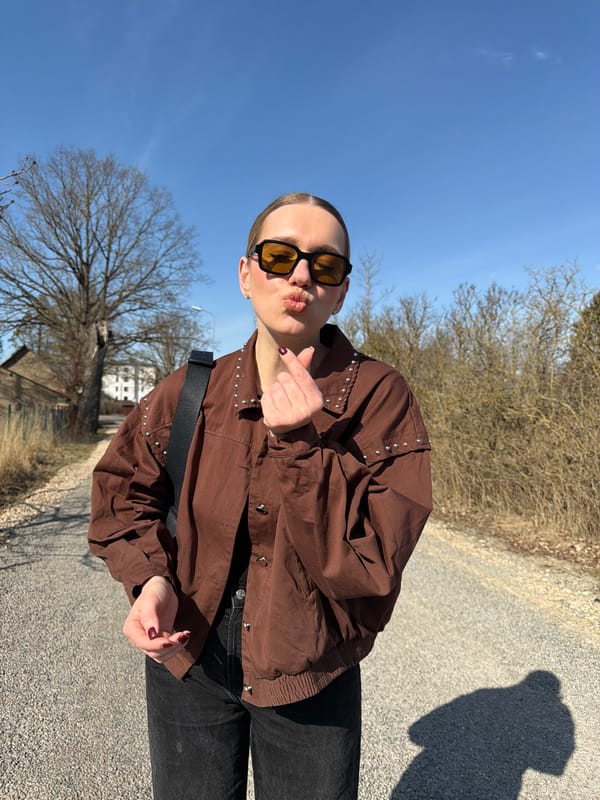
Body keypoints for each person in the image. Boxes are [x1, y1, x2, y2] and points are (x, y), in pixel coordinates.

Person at [88, 192, 432, 800]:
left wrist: (301, 447)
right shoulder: (189, 392)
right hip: (188, 657)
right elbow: (123, 494)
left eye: (325, 265)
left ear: (341, 292)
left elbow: (372, 566)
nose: (301, 275)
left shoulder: (380, 399)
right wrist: (151, 580)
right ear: (246, 274)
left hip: (310, 673)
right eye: (279, 256)